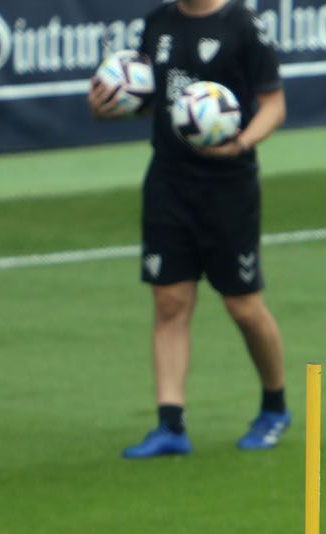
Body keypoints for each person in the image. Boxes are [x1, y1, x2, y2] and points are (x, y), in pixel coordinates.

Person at [90, 0, 292, 457]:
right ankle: (170, 425)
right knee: (169, 301)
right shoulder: (159, 23)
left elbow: (274, 106)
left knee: (243, 306)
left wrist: (240, 142)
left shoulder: (241, 25)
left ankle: (274, 407)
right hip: (168, 184)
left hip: (229, 187)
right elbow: (151, 101)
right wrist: (113, 107)